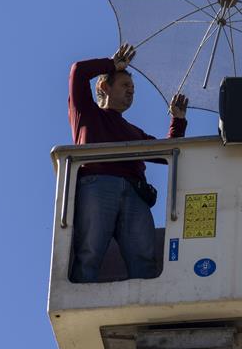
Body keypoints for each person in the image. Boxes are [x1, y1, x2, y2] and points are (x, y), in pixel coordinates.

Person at [68, 43, 188, 282]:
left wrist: (178, 119)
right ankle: (83, 297)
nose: (131, 92)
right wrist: (111, 64)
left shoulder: (133, 132)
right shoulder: (86, 114)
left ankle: (145, 309)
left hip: (134, 193)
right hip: (97, 185)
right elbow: (78, 71)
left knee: (143, 257)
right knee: (90, 251)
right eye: (125, 85)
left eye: (133, 88)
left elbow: (167, 153)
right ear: (104, 86)